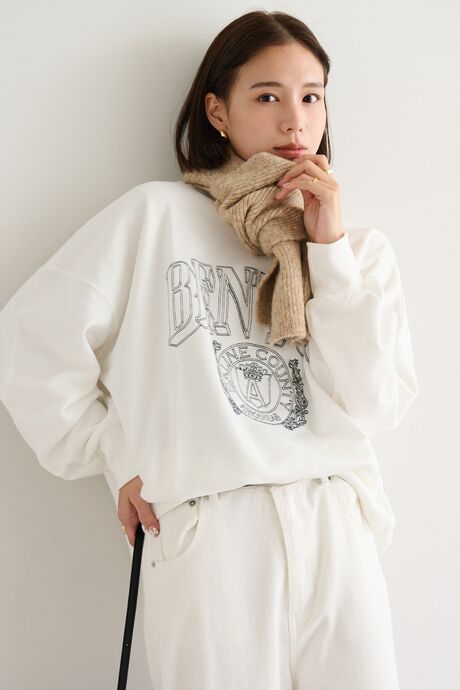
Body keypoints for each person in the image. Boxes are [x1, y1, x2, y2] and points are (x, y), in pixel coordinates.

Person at [0, 10, 419, 690]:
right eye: (268, 95)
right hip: (211, 530)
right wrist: (116, 456)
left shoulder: (358, 251)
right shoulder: (156, 218)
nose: (295, 121)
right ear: (217, 110)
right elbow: (30, 338)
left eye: (312, 96)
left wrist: (330, 253)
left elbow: (374, 403)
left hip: (335, 525)